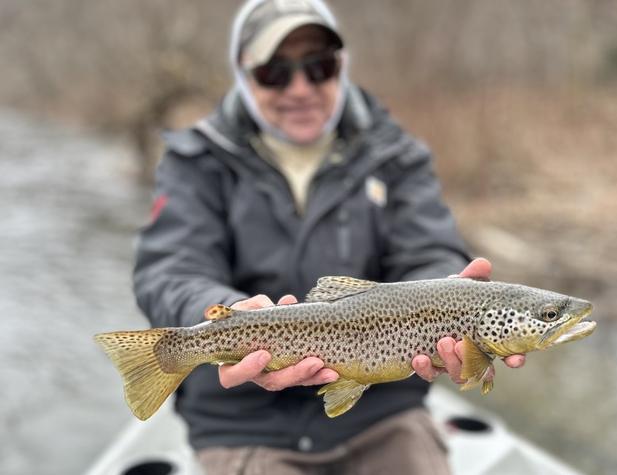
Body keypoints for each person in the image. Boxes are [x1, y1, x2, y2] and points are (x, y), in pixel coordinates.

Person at [133, 1, 526, 474]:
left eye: (319, 67)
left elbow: (429, 253)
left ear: (341, 67)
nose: (301, 89)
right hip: (242, 423)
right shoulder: (196, 161)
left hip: (382, 414)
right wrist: (220, 311)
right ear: (243, 73)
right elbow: (170, 270)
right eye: (276, 73)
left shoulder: (397, 156)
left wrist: (448, 293)